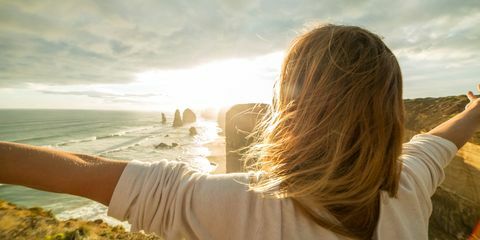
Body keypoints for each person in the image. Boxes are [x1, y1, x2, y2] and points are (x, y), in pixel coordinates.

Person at [0, 24, 478, 240]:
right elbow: (439, 141)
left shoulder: (242, 207)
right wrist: (477, 108)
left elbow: (83, 171)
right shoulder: (409, 185)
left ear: (291, 110)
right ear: (388, 116)